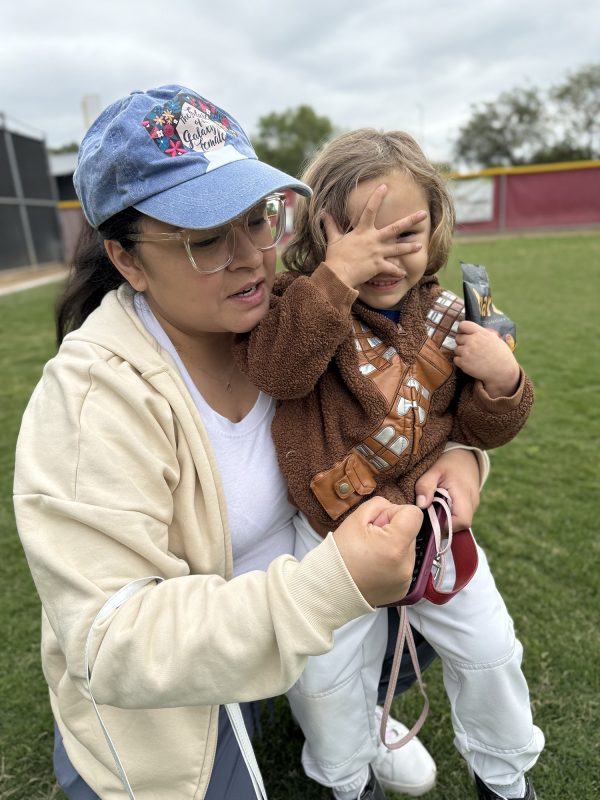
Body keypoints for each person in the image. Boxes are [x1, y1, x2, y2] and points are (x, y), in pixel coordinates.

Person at [12, 86, 487, 800]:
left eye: (259, 219)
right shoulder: (92, 398)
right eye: (205, 240)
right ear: (127, 260)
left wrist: (463, 457)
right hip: (178, 680)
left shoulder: (297, 324)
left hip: (301, 612)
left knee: (416, 605)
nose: (252, 259)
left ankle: (351, 707)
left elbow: (411, 403)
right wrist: (331, 589)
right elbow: (110, 642)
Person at [233, 128, 544, 800]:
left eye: (404, 234)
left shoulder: (451, 313)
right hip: (332, 539)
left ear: (435, 229)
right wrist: (334, 279)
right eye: (356, 234)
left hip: (436, 532)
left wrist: (501, 383)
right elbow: (280, 372)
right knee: (326, 681)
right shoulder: (299, 301)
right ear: (320, 232)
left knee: (490, 651)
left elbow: (478, 429)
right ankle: (350, 782)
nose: (381, 255)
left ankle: (504, 777)